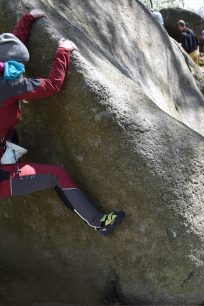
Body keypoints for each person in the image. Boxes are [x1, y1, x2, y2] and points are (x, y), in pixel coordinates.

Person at [0, 10, 125, 235]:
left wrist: (27, 20)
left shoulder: (4, 74)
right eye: (18, 66)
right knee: (57, 176)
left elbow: (9, 46)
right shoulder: (11, 86)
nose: (21, 71)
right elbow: (52, 86)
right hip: (2, 174)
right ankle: (99, 223)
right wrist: (63, 52)